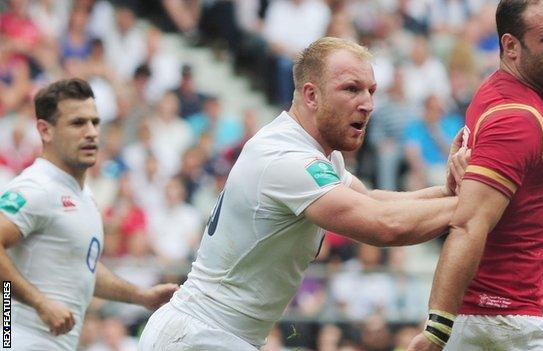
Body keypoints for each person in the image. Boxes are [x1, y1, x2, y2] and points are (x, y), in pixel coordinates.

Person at [138, 37, 469, 350]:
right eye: (352, 89)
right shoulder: (289, 160)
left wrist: (446, 191)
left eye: (371, 91)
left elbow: (372, 201)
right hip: (198, 337)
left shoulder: (314, 153)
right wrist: (479, 200)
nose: (367, 104)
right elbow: (384, 225)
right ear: (311, 95)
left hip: (213, 334)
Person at [408, 1, 543, 350]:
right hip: (497, 324)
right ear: (510, 46)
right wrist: (436, 331)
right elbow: (468, 224)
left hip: (509, 320)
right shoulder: (517, 118)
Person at [0, 78, 179, 351]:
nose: (91, 132)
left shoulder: (83, 196)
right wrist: (39, 304)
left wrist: (142, 297)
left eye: (95, 122)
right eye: (77, 123)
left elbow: (85, 270)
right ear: (45, 131)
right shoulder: (36, 187)